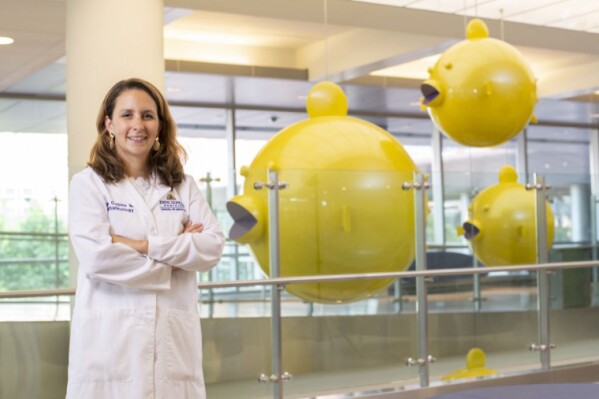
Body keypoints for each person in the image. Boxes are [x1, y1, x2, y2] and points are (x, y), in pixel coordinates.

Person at [66, 78, 225, 399]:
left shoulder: (182, 185)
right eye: (127, 115)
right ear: (109, 124)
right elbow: (98, 259)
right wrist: (176, 260)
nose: (138, 124)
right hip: (110, 345)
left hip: (172, 344)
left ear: (160, 125)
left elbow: (211, 247)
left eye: (147, 115)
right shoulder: (89, 185)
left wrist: (139, 245)